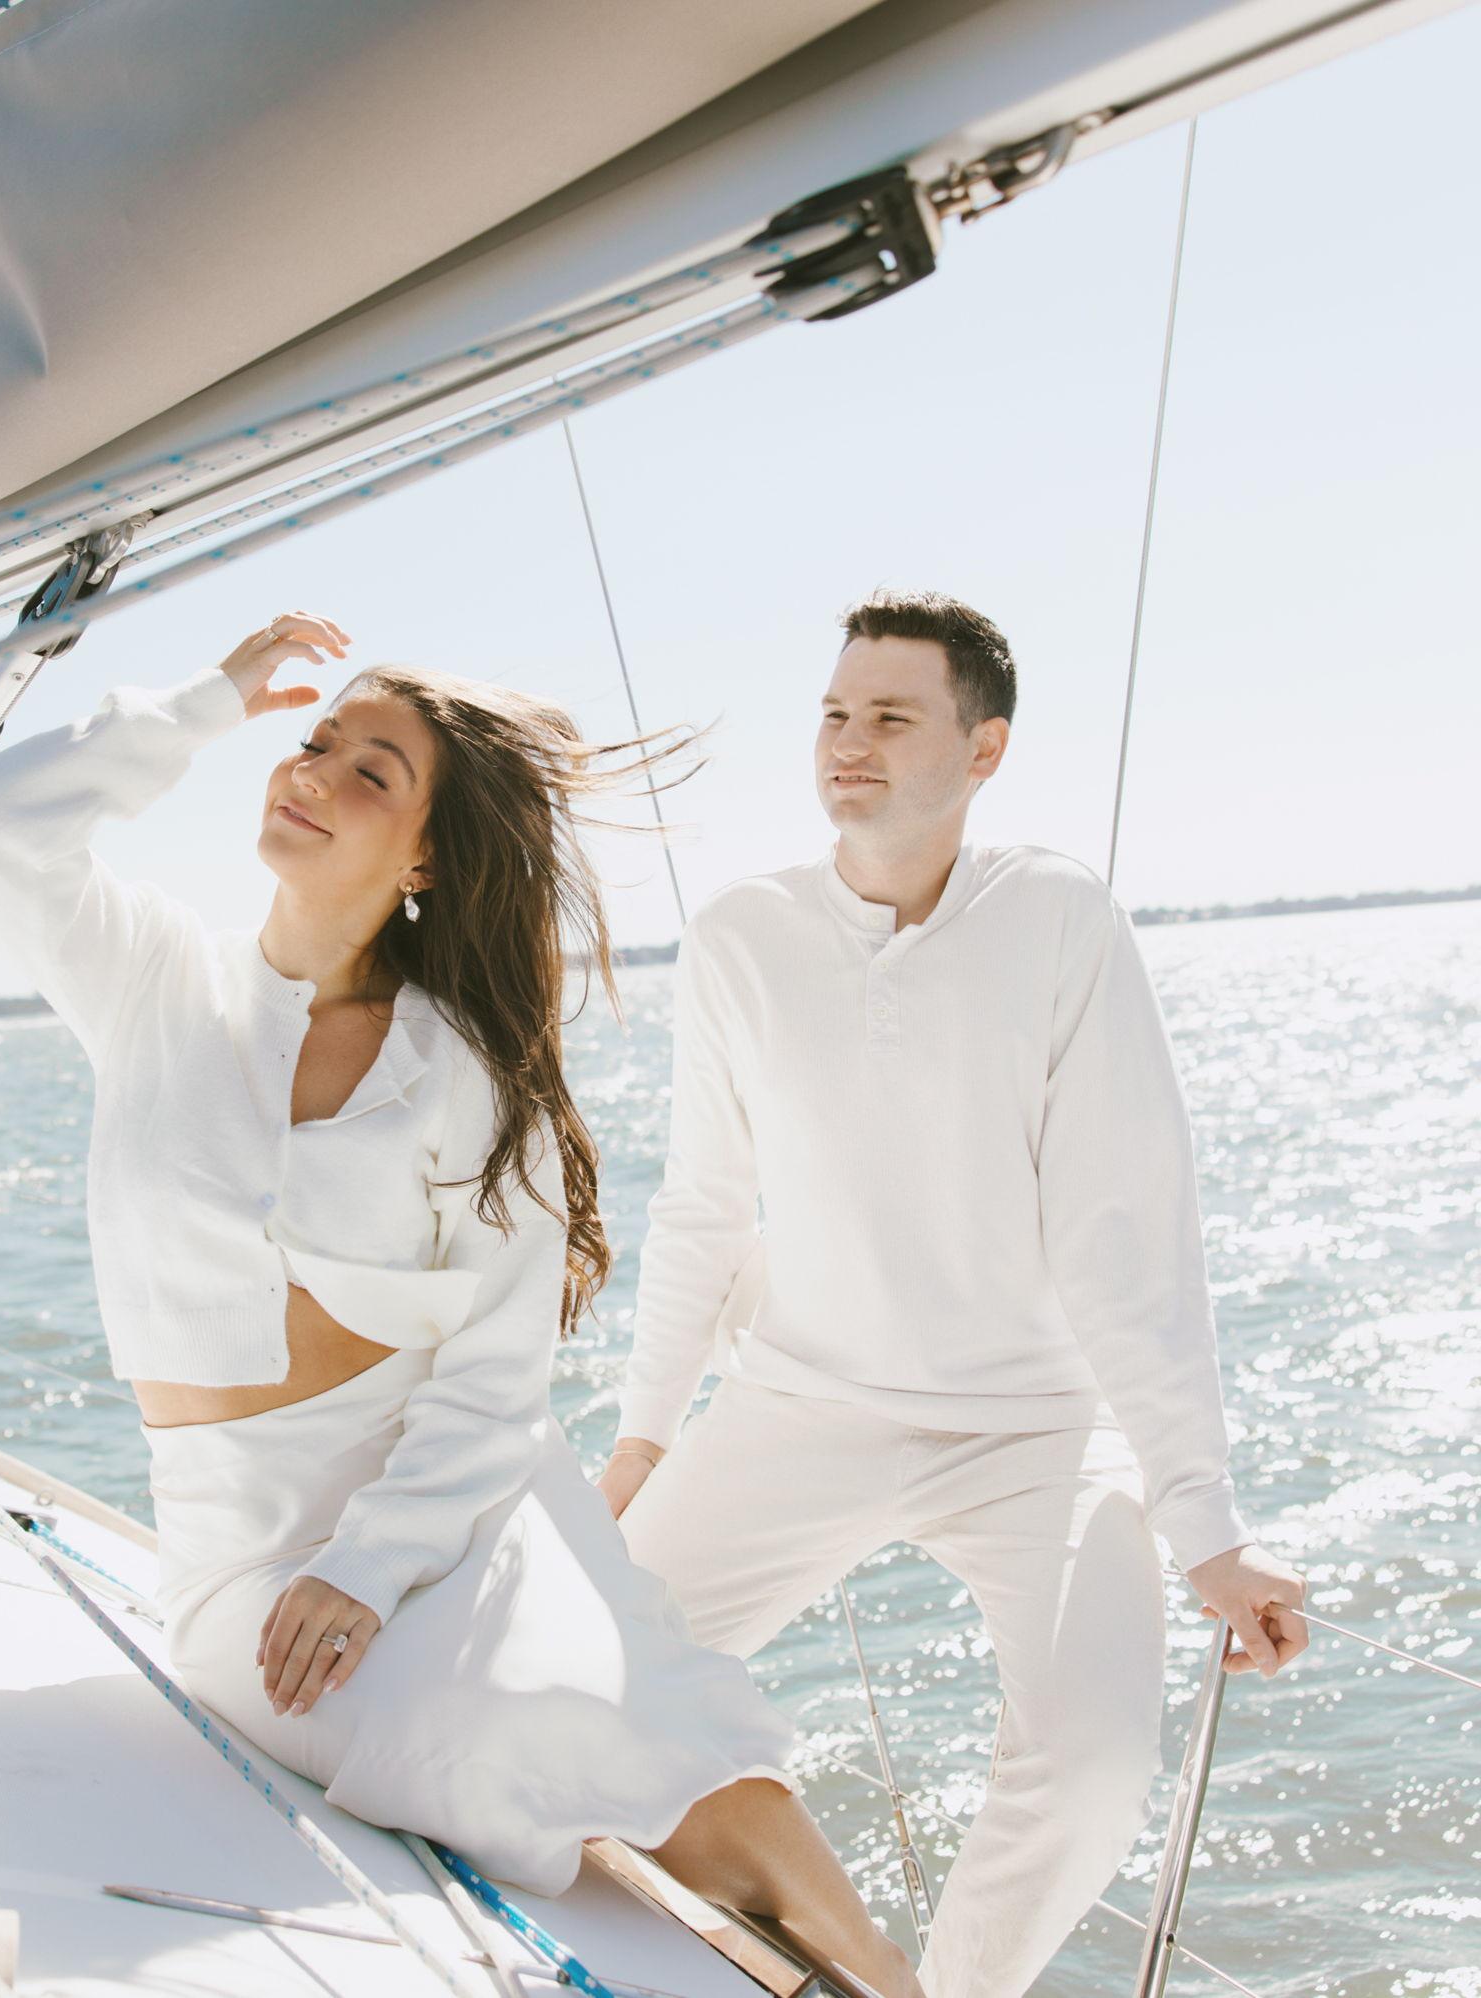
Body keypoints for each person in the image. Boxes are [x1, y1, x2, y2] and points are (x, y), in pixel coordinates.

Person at [0, 610, 925, 1997]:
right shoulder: (154, 980)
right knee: (455, 1731)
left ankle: (886, 1973)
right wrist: (208, 701)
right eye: (314, 742)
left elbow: (498, 1367)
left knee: (608, 1717)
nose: (313, 772)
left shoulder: (462, 1068)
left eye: (371, 772)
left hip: (444, 1503)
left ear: (425, 858)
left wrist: (371, 1561)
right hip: (233, 1548)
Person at [600, 588, 1309, 1998]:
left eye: (890, 716)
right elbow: (700, 1208)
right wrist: (642, 1436)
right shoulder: (739, 935)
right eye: (834, 713)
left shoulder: (1059, 918)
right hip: (802, 1403)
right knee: (577, 1677)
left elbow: (1127, 1239)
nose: (847, 743)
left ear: (984, 750)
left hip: (1037, 1429)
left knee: (1094, 1771)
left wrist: (1206, 1524)